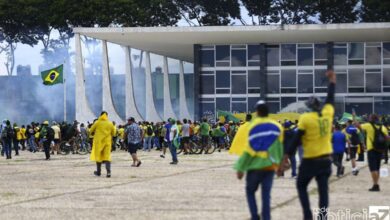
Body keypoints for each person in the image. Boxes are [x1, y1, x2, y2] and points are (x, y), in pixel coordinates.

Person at [281, 70, 336, 220]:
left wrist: (287, 155)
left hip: (311, 160)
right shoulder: (327, 114)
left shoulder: (306, 118)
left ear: (309, 107)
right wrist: (332, 82)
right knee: (323, 191)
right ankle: (323, 217)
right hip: (326, 160)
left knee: (301, 185)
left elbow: (297, 139)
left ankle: (307, 215)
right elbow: (330, 99)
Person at [233, 100, 284, 220]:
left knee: (250, 191)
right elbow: (279, 148)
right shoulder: (277, 127)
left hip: (255, 166)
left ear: (257, 112)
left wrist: (240, 168)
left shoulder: (252, 126)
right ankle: (267, 217)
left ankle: (255, 216)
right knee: (266, 194)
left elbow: (249, 149)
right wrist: (280, 165)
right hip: (270, 167)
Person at [354, 114, 389, 191]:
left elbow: (358, 126)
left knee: (373, 169)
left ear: (371, 119)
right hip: (380, 150)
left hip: (371, 149)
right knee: (377, 168)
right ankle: (375, 184)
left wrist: (354, 118)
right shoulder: (382, 127)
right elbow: (387, 138)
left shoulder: (368, 125)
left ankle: (376, 185)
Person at [90, 111, 116, 178]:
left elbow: (90, 130)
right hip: (107, 142)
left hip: (98, 142)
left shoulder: (97, 122)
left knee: (98, 157)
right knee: (107, 157)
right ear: (107, 116)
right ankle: (108, 172)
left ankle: (98, 172)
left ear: (100, 115)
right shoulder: (110, 123)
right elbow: (114, 133)